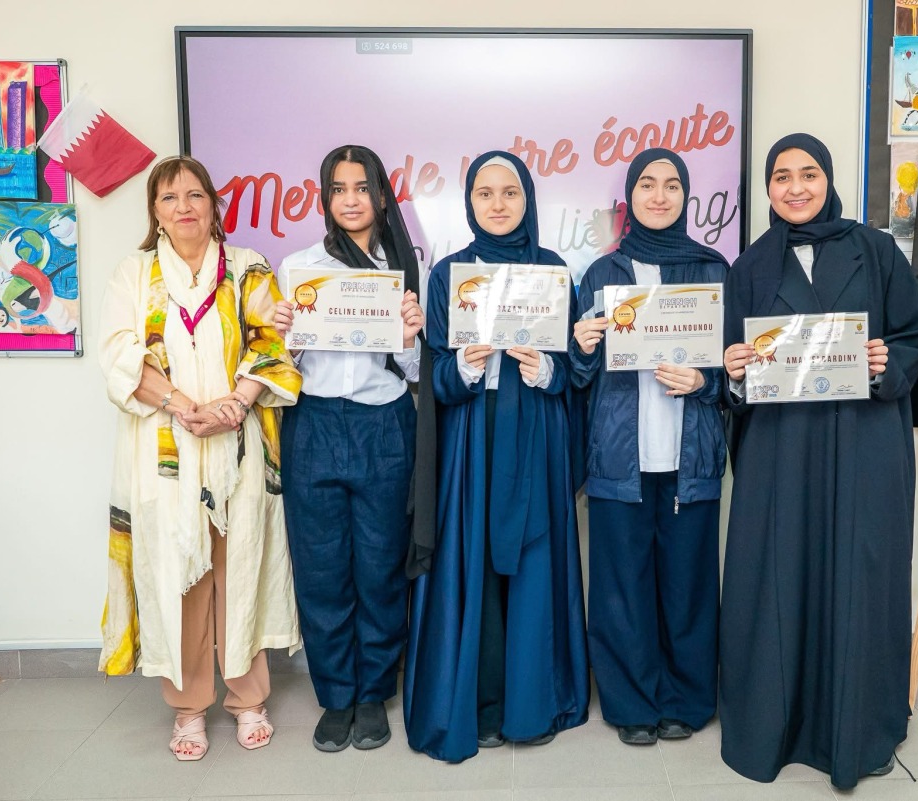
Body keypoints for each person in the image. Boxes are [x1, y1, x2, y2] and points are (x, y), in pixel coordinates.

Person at [718, 133, 918, 790]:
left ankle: (858, 724)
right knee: (778, 578)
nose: (795, 187)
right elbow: (733, 361)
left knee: (858, 576)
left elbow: (917, 335)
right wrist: (733, 370)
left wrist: (885, 362)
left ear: (827, 178)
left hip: (862, 444)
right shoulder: (749, 265)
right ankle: (774, 726)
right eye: (781, 176)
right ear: (766, 188)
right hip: (780, 454)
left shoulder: (875, 250)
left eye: (807, 174)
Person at [98, 155, 303, 761]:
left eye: (194, 195)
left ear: (214, 204)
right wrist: (184, 404)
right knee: (178, 574)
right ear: (155, 213)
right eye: (169, 198)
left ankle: (248, 699)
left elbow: (273, 341)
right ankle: (188, 709)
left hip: (239, 445)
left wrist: (237, 403)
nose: (183, 207)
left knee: (240, 569)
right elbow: (118, 354)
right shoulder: (133, 273)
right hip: (166, 451)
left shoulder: (247, 267)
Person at [403, 151, 588, 762]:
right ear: (470, 203)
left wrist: (547, 371)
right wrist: (461, 365)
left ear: (528, 198)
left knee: (533, 563)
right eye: (485, 193)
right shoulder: (450, 275)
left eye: (510, 192)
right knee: (471, 564)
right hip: (471, 442)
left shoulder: (554, 269)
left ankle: (530, 704)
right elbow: (433, 375)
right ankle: (477, 704)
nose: (499, 204)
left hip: (534, 435)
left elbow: (575, 366)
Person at [271, 145, 427, 753]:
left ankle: (373, 695)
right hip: (311, 424)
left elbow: (414, 372)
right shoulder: (301, 267)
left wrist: (412, 333)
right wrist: (286, 334)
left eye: (362, 187)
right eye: (339, 189)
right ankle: (336, 695)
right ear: (326, 199)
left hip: (384, 423)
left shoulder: (406, 269)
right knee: (322, 568)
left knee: (381, 567)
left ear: (382, 195)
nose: (352, 199)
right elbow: (287, 366)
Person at [569, 148, 726, 745]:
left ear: (686, 197)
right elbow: (577, 382)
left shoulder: (713, 269)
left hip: (690, 459)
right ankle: (632, 706)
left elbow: (739, 369)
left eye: (671, 186)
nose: (658, 196)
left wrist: (704, 380)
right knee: (620, 591)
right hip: (618, 459)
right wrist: (581, 346)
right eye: (646, 186)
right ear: (628, 197)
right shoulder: (600, 275)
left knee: (687, 588)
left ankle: (685, 702)